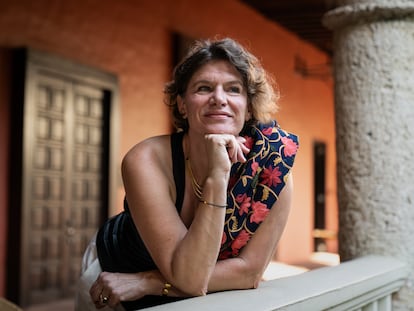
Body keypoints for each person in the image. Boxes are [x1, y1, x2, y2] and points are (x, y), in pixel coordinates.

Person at [75, 37, 299, 310]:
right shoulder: (146, 160)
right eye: (204, 88)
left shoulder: (272, 171)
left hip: (145, 283)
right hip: (112, 277)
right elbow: (192, 279)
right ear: (182, 104)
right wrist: (219, 176)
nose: (219, 99)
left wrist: (147, 282)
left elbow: (248, 273)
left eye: (233, 89)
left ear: (249, 107)